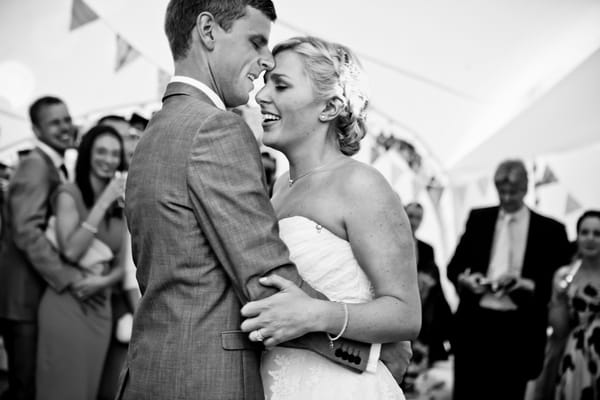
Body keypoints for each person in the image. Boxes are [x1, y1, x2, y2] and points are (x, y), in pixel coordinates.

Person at [118, 1, 405, 399]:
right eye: (256, 42)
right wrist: (372, 351)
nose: (262, 77)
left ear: (332, 106)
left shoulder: (156, 133)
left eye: (281, 83)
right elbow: (266, 284)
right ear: (208, 30)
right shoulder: (216, 130)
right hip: (206, 378)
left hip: (164, 368)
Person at [239, 36, 420, 399]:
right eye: (264, 83)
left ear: (330, 106)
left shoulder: (361, 185)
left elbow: (405, 315)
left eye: (281, 85)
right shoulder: (279, 187)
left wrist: (314, 315)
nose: (261, 96)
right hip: (277, 380)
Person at [447, 159, 572, 400]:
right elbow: (454, 266)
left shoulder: (551, 230)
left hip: (520, 328)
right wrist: (465, 280)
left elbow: (560, 283)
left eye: (512, 192)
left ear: (525, 188)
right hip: (475, 325)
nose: (506, 197)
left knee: (509, 393)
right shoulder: (478, 218)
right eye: (501, 191)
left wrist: (530, 285)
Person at [36, 124, 128, 400]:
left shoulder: (122, 206)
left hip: (101, 307)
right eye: (101, 151)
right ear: (87, 153)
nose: (108, 159)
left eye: (114, 153)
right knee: (62, 389)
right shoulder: (68, 194)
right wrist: (103, 201)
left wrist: (103, 281)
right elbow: (71, 252)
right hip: (66, 305)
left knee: (87, 390)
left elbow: (125, 267)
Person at [0, 96, 83, 400]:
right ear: (36, 130)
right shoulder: (36, 166)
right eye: (55, 122)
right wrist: (67, 276)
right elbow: (26, 232)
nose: (65, 127)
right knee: (26, 384)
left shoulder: (52, 163)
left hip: (35, 295)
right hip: (23, 298)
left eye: (66, 119)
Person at [549, 210, 600, 400]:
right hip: (578, 355)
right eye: (584, 232)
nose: (590, 238)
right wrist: (558, 298)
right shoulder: (565, 275)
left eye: (597, 234)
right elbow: (559, 329)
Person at [402, 202, 452, 394]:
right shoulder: (392, 241)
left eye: (418, 217)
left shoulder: (427, 248)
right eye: (411, 215)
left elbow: (433, 278)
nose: (414, 221)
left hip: (423, 307)